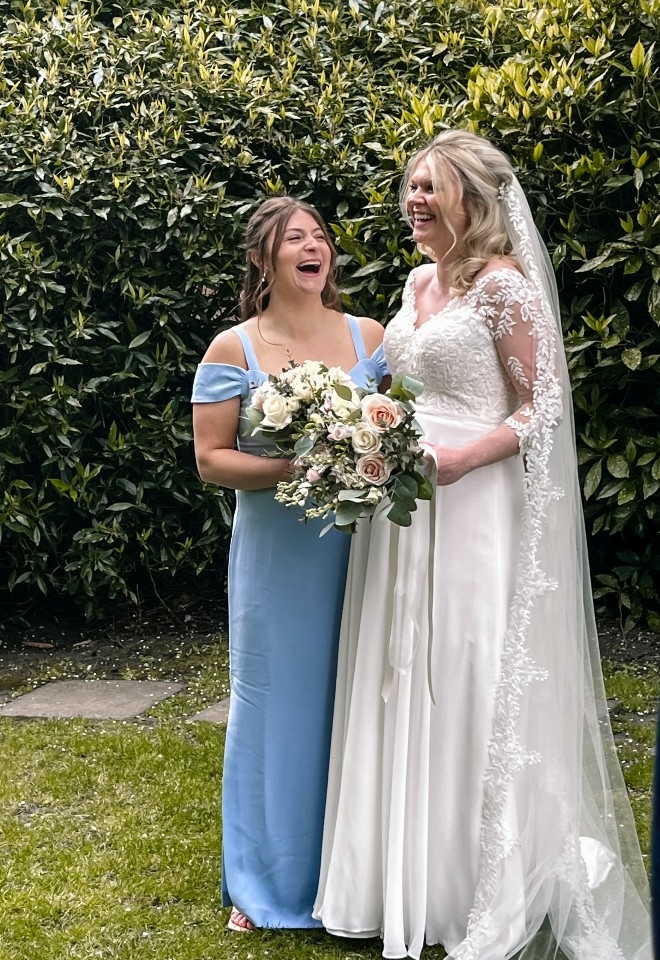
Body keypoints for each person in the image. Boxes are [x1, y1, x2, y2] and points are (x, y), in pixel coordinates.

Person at [313, 130, 652, 960]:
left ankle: (474, 879)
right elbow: (405, 382)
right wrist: (366, 430)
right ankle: (391, 880)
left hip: (472, 501)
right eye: (411, 187)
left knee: (464, 666)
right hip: (401, 504)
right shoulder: (416, 281)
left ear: (472, 197)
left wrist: (464, 455)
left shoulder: (504, 287)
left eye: (431, 188)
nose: (414, 201)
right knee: (395, 667)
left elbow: (540, 408)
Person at [191, 196, 387, 932]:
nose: (313, 247)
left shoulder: (369, 336)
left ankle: (354, 874)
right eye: (293, 239)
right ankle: (260, 883)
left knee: (357, 700)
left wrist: (363, 457)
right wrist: (303, 467)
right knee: (273, 708)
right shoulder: (232, 349)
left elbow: (391, 434)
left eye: (320, 237)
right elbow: (212, 461)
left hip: (364, 550)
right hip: (277, 557)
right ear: (262, 259)